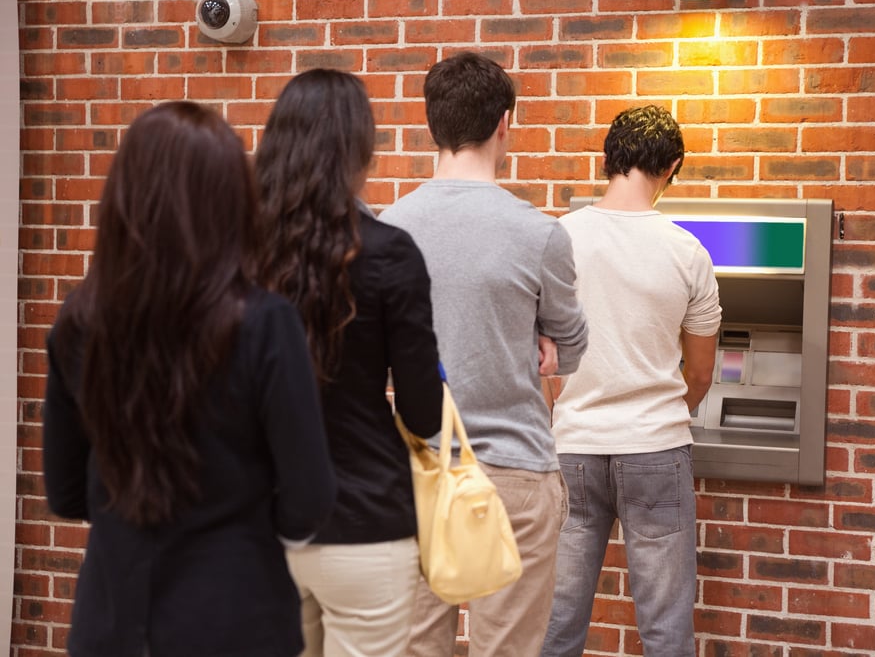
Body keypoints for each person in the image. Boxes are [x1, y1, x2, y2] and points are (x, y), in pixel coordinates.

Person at [42, 101, 338, 657]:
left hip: (111, 619)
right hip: (236, 616)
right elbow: (310, 496)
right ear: (230, 201)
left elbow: (63, 489)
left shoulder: (79, 319)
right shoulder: (265, 322)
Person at [378, 51, 589, 657]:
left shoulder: (390, 229)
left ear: (431, 126)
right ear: (504, 123)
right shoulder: (541, 233)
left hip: (418, 472)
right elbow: (570, 344)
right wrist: (541, 344)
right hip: (516, 473)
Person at [255, 69, 443, 657]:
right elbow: (421, 409)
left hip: (261, 521)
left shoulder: (237, 250)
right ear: (359, 149)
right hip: (365, 521)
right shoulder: (389, 252)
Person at [540, 105, 722, 657]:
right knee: (666, 632)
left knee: (555, 624)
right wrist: (665, 407)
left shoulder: (559, 238)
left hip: (572, 449)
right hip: (656, 449)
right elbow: (702, 371)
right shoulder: (687, 251)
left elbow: (545, 359)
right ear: (672, 167)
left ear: (608, 160)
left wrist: (569, 405)